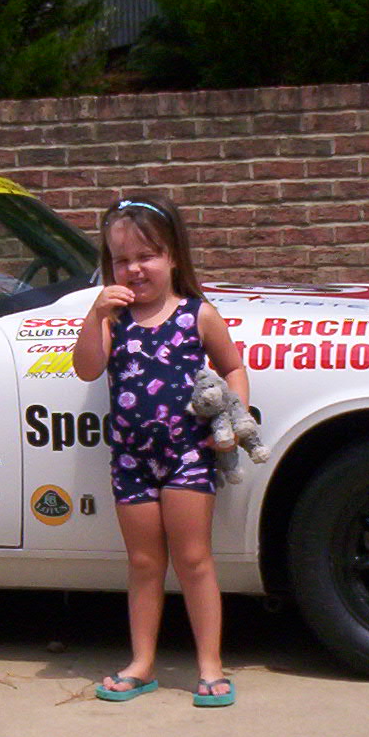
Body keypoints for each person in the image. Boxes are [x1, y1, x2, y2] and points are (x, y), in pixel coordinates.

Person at [71, 194, 249, 708]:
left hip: (188, 454)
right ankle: (142, 664)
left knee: (194, 560)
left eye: (146, 256)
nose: (134, 268)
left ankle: (210, 666)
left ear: (173, 257)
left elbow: (233, 367)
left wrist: (234, 414)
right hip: (130, 459)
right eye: (121, 259)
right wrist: (94, 313)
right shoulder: (113, 318)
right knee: (144, 563)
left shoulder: (198, 314)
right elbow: (86, 368)